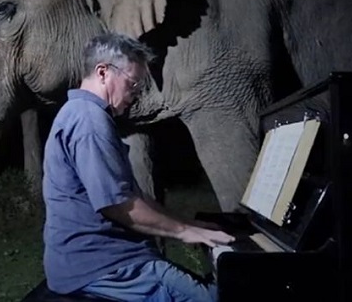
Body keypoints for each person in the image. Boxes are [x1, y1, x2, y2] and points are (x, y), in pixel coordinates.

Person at [42, 32, 235, 302]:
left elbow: (133, 196)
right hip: (103, 266)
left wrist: (187, 223)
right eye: (132, 83)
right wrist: (185, 232)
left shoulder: (83, 114)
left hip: (108, 260)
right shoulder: (89, 121)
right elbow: (119, 206)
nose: (135, 94)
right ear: (103, 72)